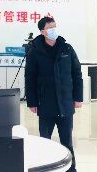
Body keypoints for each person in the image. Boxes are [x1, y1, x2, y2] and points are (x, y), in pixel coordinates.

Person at [25, 16, 83, 172]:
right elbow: (29, 78)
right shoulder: (35, 51)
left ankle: (71, 169)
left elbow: (77, 74)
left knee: (67, 142)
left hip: (65, 103)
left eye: (54, 26)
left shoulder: (67, 48)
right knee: (45, 141)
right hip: (45, 103)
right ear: (42, 31)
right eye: (50, 28)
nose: (53, 30)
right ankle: (45, 168)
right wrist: (32, 102)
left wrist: (78, 97)